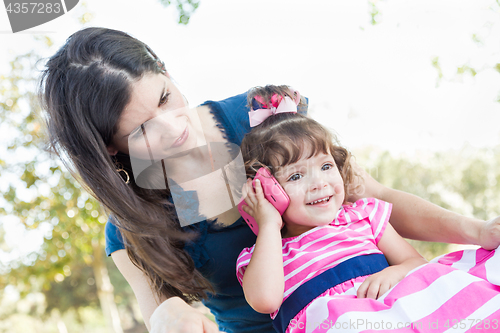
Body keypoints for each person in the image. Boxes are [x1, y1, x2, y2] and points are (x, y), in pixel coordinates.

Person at [38, 27, 500, 333]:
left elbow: (372, 197)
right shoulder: (131, 228)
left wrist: (479, 231)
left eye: (164, 96)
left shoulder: (262, 116)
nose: (173, 125)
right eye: (141, 130)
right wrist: (168, 314)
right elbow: (157, 306)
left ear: (165, 69)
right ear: (111, 149)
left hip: (376, 309)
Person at [236, 85, 500, 333]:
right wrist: (269, 223)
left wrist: (392, 272)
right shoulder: (265, 255)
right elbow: (266, 301)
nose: (319, 183)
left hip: (403, 312)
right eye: (296, 176)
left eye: (326, 166)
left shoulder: (363, 216)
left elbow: (415, 263)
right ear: (266, 189)